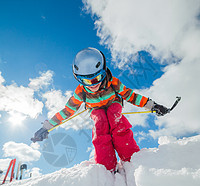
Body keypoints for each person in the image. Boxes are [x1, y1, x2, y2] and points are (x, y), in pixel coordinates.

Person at [31, 48, 169, 172]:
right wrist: (47, 127)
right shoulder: (80, 93)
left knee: (114, 115)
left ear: (103, 72)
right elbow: (67, 111)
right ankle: (106, 166)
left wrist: (153, 105)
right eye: (86, 81)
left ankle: (131, 158)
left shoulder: (114, 84)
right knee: (100, 122)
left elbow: (131, 96)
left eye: (97, 78)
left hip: (113, 105)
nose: (93, 85)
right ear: (78, 79)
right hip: (95, 110)